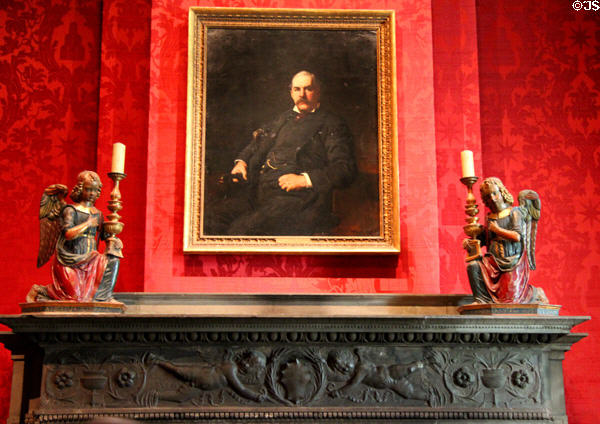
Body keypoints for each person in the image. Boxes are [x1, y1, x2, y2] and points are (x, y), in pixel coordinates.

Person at [204, 70, 356, 236]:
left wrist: (304, 179)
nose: (302, 94)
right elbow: (256, 143)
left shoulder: (332, 123)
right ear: (291, 92)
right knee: (212, 219)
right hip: (257, 193)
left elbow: (345, 168)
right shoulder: (282, 119)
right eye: (297, 89)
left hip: (298, 200)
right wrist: (242, 162)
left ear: (318, 91)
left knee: (241, 230)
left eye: (308, 89)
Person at [28, 171, 121, 303]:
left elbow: (103, 236)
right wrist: (87, 224)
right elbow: (68, 234)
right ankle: (41, 291)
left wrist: (113, 238)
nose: (91, 194)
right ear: (80, 189)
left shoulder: (98, 214)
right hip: (69, 259)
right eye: (88, 189)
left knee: (114, 260)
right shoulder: (70, 210)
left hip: (91, 258)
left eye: (94, 190)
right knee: (74, 297)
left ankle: (104, 297)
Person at [464, 177, 548, 304]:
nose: (492, 198)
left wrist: (497, 230)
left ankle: (535, 293)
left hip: (511, 261)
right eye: (488, 196)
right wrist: (472, 241)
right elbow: (487, 239)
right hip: (492, 262)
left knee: (510, 301)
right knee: (473, 266)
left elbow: (517, 236)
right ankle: (481, 300)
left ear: (502, 192)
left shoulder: (515, 212)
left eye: (495, 193)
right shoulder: (489, 217)